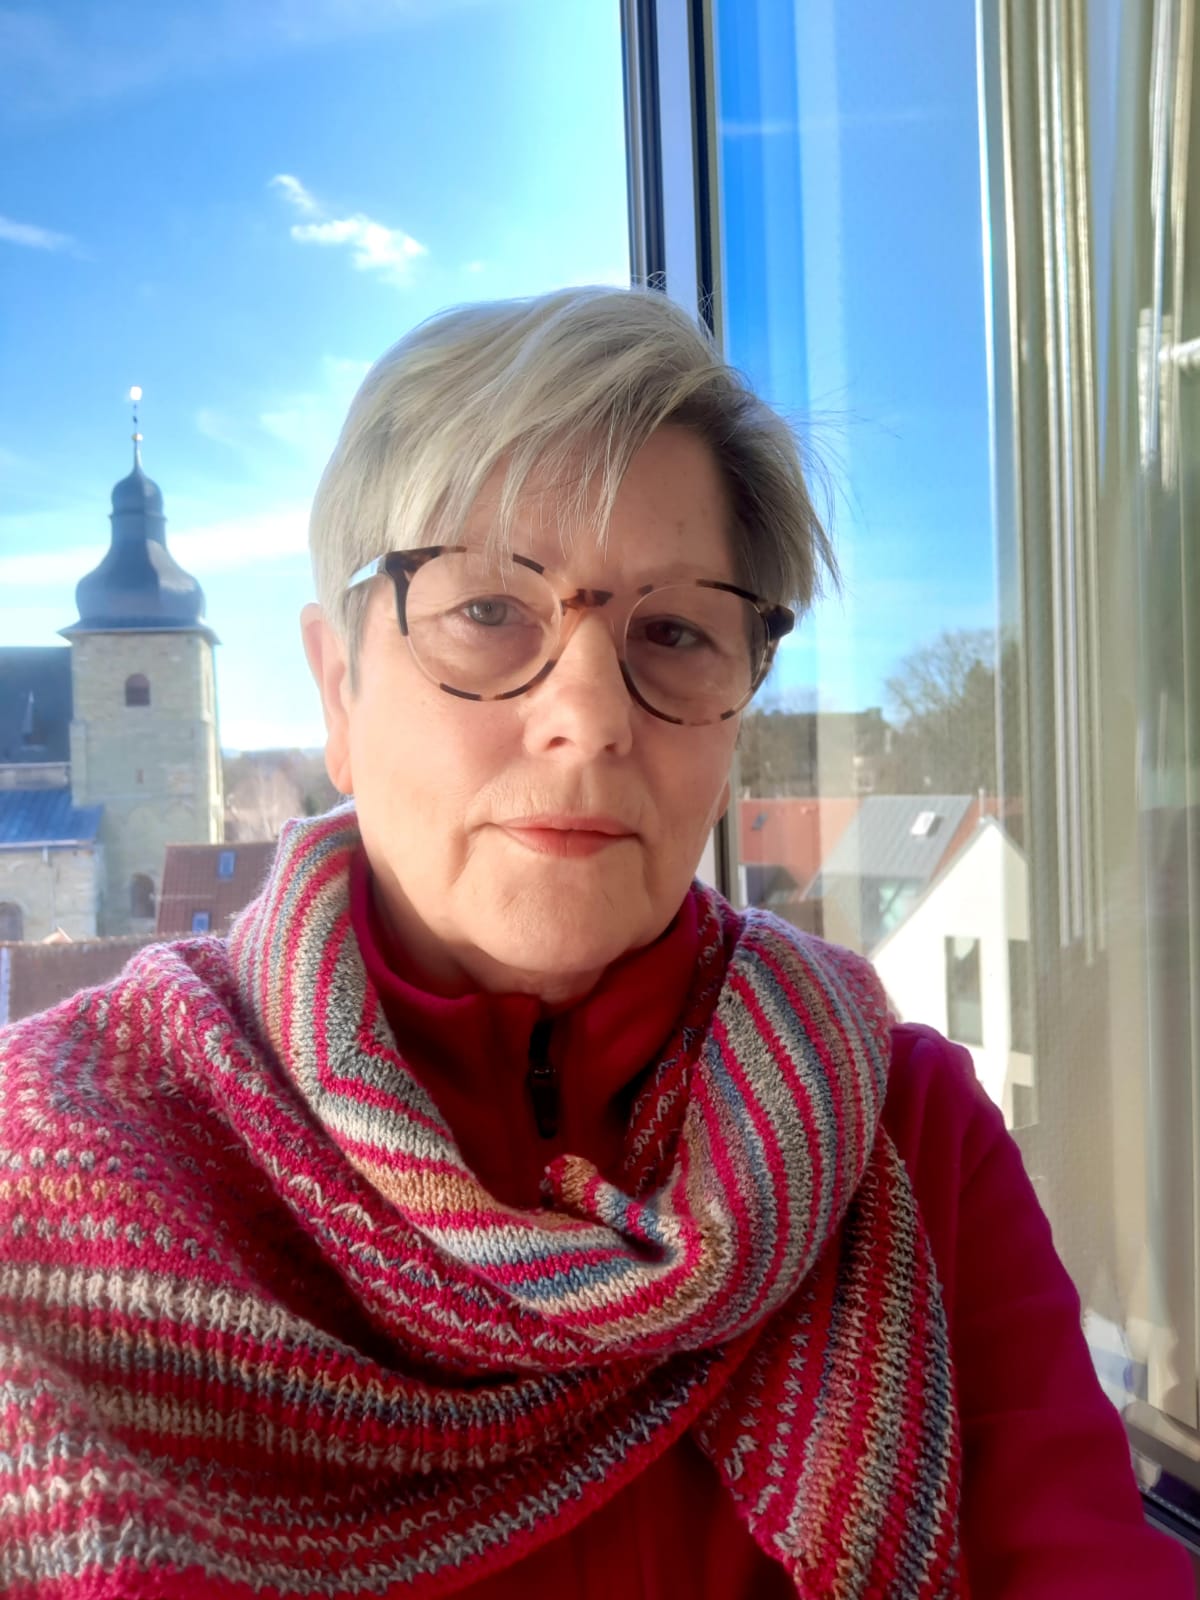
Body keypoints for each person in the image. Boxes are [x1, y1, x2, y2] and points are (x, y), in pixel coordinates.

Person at [0, 287, 1191, 1600]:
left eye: (675, 632)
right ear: (339, 686)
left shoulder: (906, 1139)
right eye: (487, 611)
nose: (588, 716)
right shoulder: (54, 1178)